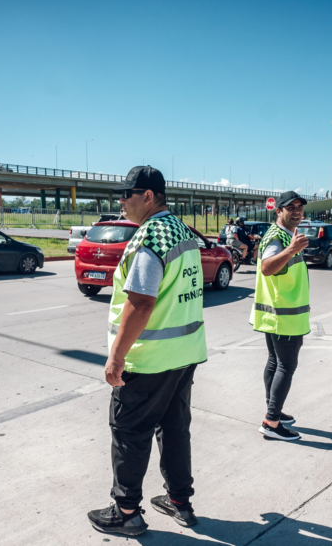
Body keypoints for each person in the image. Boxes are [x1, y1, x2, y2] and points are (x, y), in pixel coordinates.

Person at [88, 165, 208, 537]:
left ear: (149, 197)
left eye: (127, 194)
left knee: (129, 430)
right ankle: (179, 501)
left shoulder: (149, 239)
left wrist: (117, 356)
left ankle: (126, 512)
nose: (121, 201)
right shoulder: (181, 231)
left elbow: (140, 303)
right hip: (183, 353)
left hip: (150, 358)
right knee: (174, 429)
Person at [250, 191, 310, 442]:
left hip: (275, 313)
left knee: (275, 363)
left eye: (299, 207)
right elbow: (267, 267)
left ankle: (272, 410)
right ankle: (272, 421)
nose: (296, 211)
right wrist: (291, 250)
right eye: (290, 207)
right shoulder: (278, 238)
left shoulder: (282, 235)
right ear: (279, 211)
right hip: (283, 315)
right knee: (286, 365)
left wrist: (292, 247)